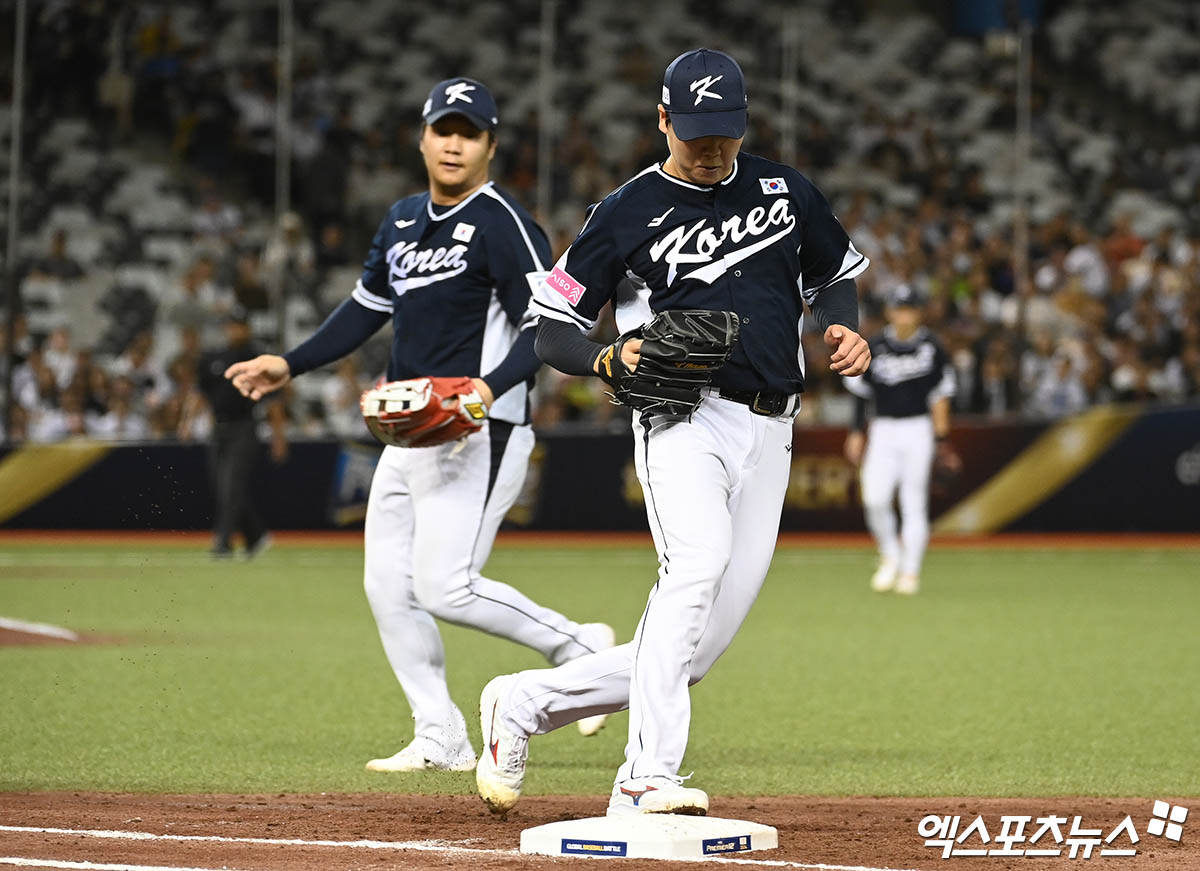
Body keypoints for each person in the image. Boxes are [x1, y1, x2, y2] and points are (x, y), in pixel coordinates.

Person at [475, 49, 871, 818]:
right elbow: (550, 325)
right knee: (694, 571)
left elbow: (833, 276)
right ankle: (645, 775)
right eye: (695, 134)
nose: (712, 147)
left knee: (695, 648)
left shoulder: (786, 191)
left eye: (725, 133)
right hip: (683, 419)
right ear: (663, 121)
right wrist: (601, 356)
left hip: (774, 430)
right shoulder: (625, 210)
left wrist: (844, 329)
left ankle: (520, 702)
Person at [225, 77, 615, 773]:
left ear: (491, 144)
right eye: (445, 129)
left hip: (482, 430)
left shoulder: (504, 222)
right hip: (410, 430)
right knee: (386, 584)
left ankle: (580, 648)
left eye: (469, 132)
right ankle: (440, 732)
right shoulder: (403, 219)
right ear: (423, 137)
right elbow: (364, 308)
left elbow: (546, 326)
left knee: (446, 584)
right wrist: (290, 362)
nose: (455, 143)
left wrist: (487, 390)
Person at [843, 285, 956, 595]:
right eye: (898, 308)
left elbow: (941, 396)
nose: (904, 314)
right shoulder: (875, 345)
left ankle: (910, 571)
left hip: (918, 427)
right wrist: (856, 432)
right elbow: (859, 392)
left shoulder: (932, 347)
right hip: (882, 427)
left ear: (918, 312)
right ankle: (891, 553)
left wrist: (942, 439)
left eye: (909, 308)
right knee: (874, 498)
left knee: (913, 501)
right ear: (890, 311)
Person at [196, 307, 287, 557]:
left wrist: (278, 437)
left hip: (245, 428)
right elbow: (201, 393)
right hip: (218, 428)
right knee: (223, 486)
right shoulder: (213, 357)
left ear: (247, 328)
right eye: (230, 325)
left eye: (239, 325)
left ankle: (222, 544)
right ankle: (255, 535)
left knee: (231, 484)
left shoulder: (257, 358)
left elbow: (274, 401)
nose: (234, 330)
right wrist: (187, 420)